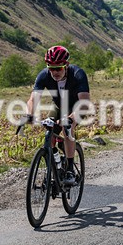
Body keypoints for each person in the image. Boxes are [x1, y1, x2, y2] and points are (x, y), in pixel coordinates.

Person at [25, 45, 91, 186]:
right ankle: (54, 164)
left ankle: (70, 170)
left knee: (68, 130)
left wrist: (70, 119)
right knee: (49, 132)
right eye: (51, 68)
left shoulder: (78, 74)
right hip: (59, 106)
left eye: (58, 68)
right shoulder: (44, 75)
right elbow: (33, 99)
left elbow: (84, 102)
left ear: (66, 65)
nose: (54, 72)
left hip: (77, 107)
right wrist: (29, 115)